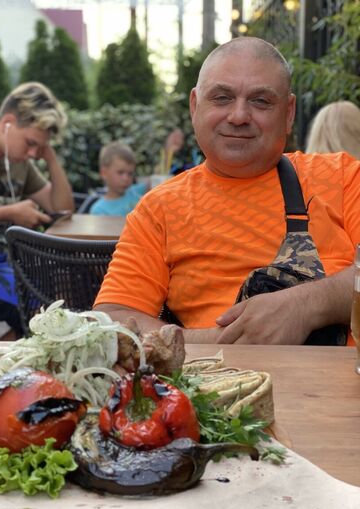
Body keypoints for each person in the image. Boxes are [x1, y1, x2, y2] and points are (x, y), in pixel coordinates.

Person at [93, 37, 360, 346]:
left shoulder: (342, 176)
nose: (239, 116)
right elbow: (112, 320)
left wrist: (305, 306)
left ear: (288, 113)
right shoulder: (159, 209)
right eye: (222, 98)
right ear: (195, 106)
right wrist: (223, 341)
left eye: (261, 101)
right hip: (211, 376)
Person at [0, 81, 74, 336]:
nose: (32, 153)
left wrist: (50, 157)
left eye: (39, 147)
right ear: (8, 122)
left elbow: (63, 209)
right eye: (30, 143)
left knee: (62, 295)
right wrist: (9, 212)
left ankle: (7, 355)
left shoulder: (18, 161)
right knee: (39, 307)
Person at [90, 141, 147, 216]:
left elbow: (154, 185)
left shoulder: (136, 191)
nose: (126, 178)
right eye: (120, 172)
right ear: (104, 173)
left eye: (130, 173)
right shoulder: (99, 210)